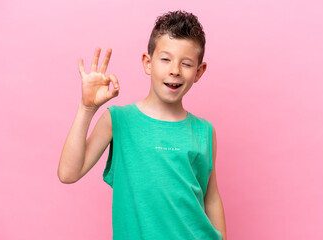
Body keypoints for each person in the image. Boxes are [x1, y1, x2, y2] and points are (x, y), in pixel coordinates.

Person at [58, 10, 227, 240]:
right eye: (165, 59)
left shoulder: (204, 131)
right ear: (148, 63)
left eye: (186, 63)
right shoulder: (118, 120)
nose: (174, 70)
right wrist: (86, 109)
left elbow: (211, 197)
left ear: (198, 72)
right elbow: (68, 173)